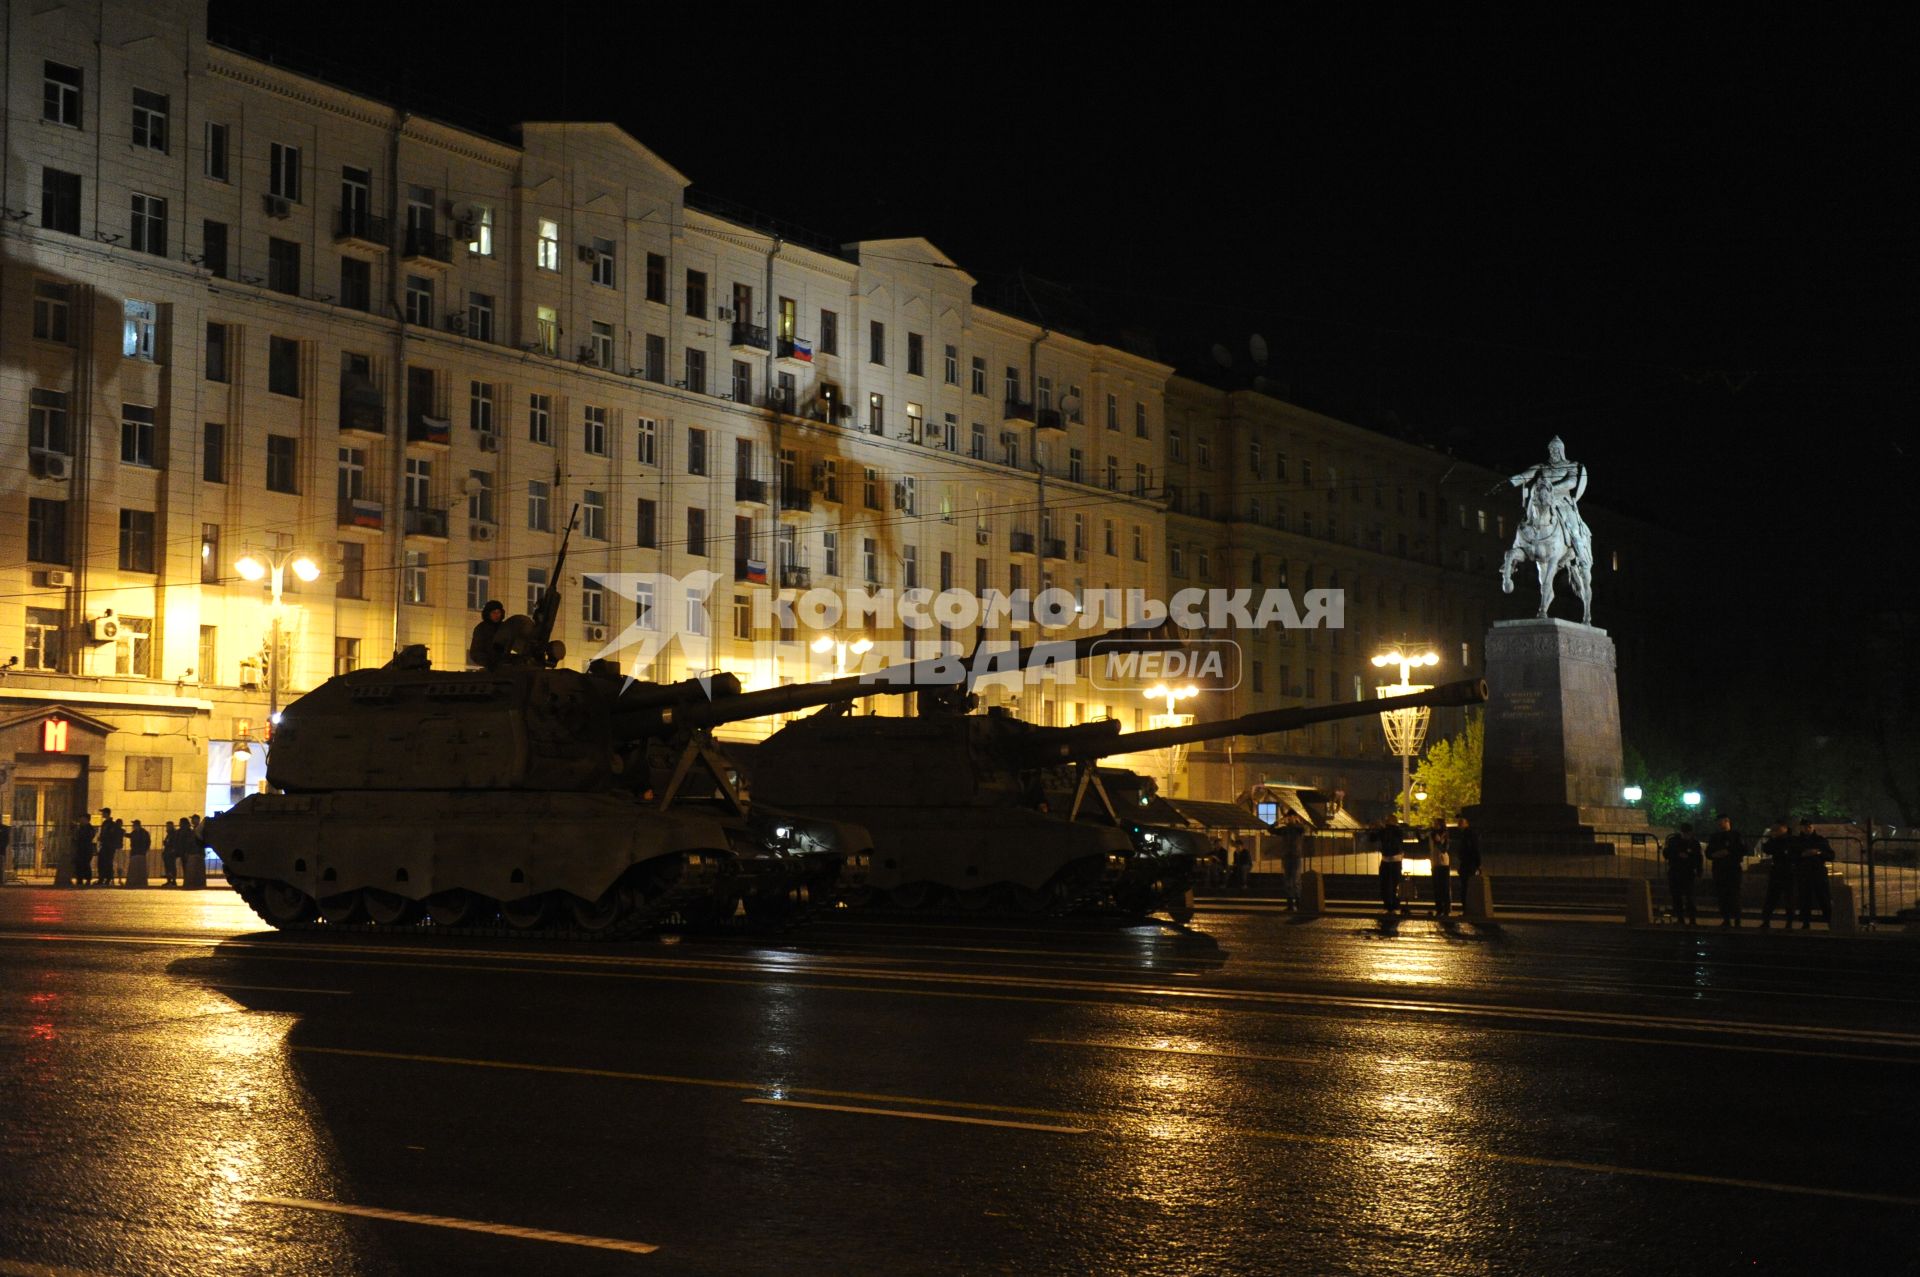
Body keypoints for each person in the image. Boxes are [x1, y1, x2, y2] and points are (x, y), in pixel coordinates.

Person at [1704, 814, 1748, 926]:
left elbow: (1742, 849)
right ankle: (1726, 918)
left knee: (1734, 894)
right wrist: (1716, 854)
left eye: (1721, 822)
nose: (1719, 824)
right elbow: (1708, 853)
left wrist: (1728, 852)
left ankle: (1737, 919)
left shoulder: (1736, 835)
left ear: (1727, 821)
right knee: (1722, 894)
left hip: (1732, 868)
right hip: (1719, 869)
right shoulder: (1715, 837)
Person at [1793, 817, 1835, 929]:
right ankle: (1806, 922)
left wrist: (1818, 853)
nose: (1807, 829)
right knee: (1805, 899)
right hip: (1803, 873)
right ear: (1801, 828)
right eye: (1804, 827)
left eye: (1809, 827)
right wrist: (1802, 855)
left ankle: (1829, 921)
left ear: (1812, 827)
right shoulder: (1797, 841)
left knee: (1823, 898)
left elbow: (1831, 855)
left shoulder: (1820, 840)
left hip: (1818, 872)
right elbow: (1792, 856)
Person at [1662, 822, 1703, 925]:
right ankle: (1680, 918)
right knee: (1677, 897)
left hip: (1688, 872)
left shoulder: (1694, 843)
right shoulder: (1674, 841)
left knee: (1690, 897)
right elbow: (1666, 853)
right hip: (1676, 871)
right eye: (1685, 834)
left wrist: (1699, 872)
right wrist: (1677, 854)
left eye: (1688, 834)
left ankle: (1692, 919)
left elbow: (1698, 858)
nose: (1686, 836)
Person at [1758, 819, 1796, 929]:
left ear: (1784, 828)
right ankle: (1767, 920)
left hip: (1787, 870)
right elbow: (1767, 849)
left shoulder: (1790, 840)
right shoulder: (1775, 840)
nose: (1775, 831)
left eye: (1777, 829)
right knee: (1772, 897)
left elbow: (1789, 852)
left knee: (1787, 897)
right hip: (1777, 870)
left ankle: (1788, 922)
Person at [1376, 818, 1408, 914]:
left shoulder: (1387, 831)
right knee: (1394, 883)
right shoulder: (1396, 831)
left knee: (1387, 883)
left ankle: (1389, 904)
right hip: (1394, 859)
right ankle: (1393, 904)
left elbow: (1374, 838)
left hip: (1387, 858)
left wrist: (1381, 828)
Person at [1278, 813, 1307, 910]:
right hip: (1287, 856)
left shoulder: (1298, 828)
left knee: (1295, 880)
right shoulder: (1284, 829)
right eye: (1288, 817)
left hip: (1295, 856)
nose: (1289, 819)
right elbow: (1271, 830)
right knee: (1288, 881)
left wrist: (1296, 822)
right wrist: (1278, 822)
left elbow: (1303, 829)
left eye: (1291, 817)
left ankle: (1298, 903)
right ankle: (1290, 904)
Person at [468, 599, 508, 668]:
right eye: (493, 613)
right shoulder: (481, 629)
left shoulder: (505, 627)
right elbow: (475, 652)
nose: (497, 615)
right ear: (488, 614)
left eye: (498, 612)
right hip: (490, 666)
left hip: (505, 664)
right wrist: (488, 662)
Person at [1452, 813, 1482, 904]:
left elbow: (1473, 849)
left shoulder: (1468, 835)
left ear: (1466, 824)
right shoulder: (1466, 835)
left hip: (1468, 864)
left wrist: (1478, 864)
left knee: (1466, 886)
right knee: (1465, 886)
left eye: (1461, 823)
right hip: (1468, 863)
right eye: (1459, 823)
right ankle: (1466, 907)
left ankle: (1467, 907)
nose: (1459, 825)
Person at [1428, 820, 1453, 917]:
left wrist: (1438, 842)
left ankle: (1446, 909)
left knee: (1444, 887)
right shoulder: (1432, 834)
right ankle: (1439, 909)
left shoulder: (1444, 834)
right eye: (1434, 824)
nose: (1434, 825)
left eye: (1437, 824)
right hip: (1434, 862)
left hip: (1443, 863)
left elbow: (1444, 849)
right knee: (1436, 887)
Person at [96, 810, 124, 887]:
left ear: (107, 813)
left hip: (109, 846)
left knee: (108, 862)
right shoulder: (105, 823)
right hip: (104, 845)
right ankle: (101, 878)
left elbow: (112, 835)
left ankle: (108, 878)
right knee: (101, 862)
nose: (102, 814)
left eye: (103, 813)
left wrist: (105, 839)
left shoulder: (112, 824)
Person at [70, 817, 96, 887]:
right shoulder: (81, 827)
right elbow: (76, 837)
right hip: (80, 848)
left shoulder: (90, 828)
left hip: (86, 849)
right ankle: (79, 879)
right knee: (79, 864)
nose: (81, 821)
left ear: (86, 820)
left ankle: (88, 879)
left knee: (86, 864)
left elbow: (89, 837)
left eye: (82, 819)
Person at [127, 819, 152, 883]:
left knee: (140, 868)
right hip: (135, 852)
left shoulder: (143, 833)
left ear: (137, 825)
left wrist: (145, 849)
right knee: (135, 868)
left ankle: (140, 881)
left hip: (140, 852)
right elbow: (130, 836)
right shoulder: (135, 832)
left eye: (134, 825)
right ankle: (135, 880)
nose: (133, 826)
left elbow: (147, 842)